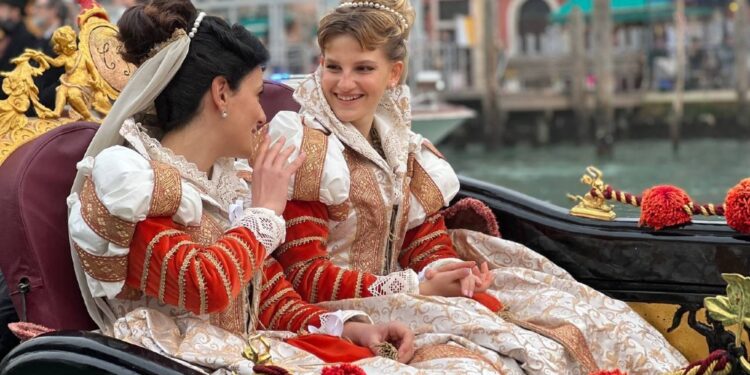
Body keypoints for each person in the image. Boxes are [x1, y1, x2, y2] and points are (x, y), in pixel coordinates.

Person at [270, 1, 689, 374]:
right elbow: (302, 274)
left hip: (407, 293)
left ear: (394, 73)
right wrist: (415, 287)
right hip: (342, 309)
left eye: (363, 68)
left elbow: (421, 240)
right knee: (494, 358)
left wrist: (444, 272)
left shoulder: (403, 147)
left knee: (591, 316)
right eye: (333, 67)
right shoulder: (307, 149)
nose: (345, 83)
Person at [66, 1, 413, 373]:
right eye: (258, 93)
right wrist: (263, 213)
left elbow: (269, 299)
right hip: (176, 363)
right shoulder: (137, 186)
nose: (264, 114)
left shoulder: (225, 182)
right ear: (221, 94)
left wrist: (351, 328)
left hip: (251, 351)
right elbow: (203, 286)